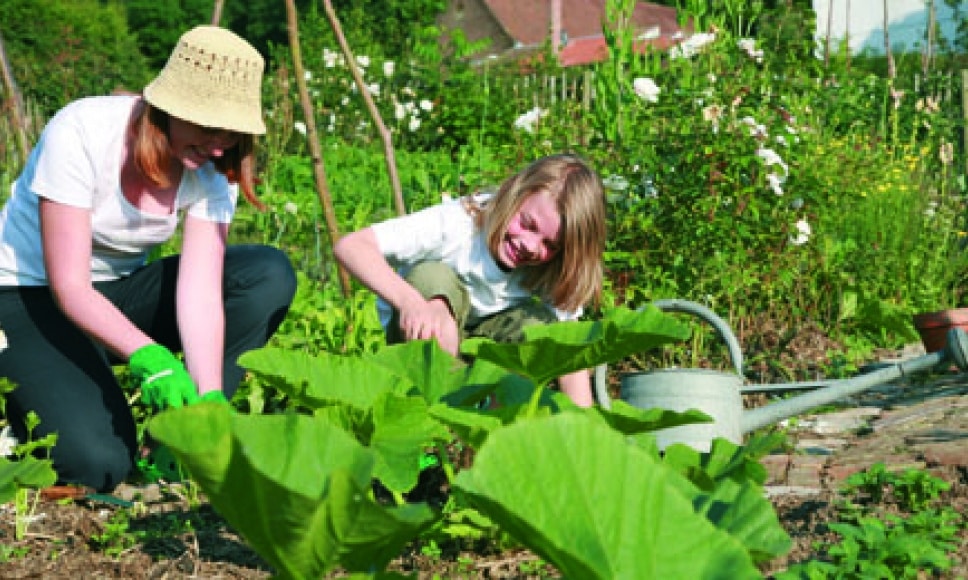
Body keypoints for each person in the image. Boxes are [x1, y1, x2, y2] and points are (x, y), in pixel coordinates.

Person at [0, 26, 297, 492]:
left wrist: (209, 391)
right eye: (208, 127)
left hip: (111, 298)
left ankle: (188, 430)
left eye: (231, 134)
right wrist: (148, 355)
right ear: (169, 109)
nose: (220, 145)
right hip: (25, 297)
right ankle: (25, 415)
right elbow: (70, 287)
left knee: (265, 274)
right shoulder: (81, 131)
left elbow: (200, 292)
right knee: (97, 465)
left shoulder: (213, 169)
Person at [334, 154, 606, 407]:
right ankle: (433, 429)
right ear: (514, 193)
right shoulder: (456, 224)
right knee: (433, 277)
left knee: (542, 328)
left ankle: (488, 434)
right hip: (421, 346)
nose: (531, 245)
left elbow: (570, 352)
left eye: (550, 243)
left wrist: (585, 425)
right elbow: (351, 246)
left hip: (486, 356)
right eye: (527, 224)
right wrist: (411, 303)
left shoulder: (549, 265)